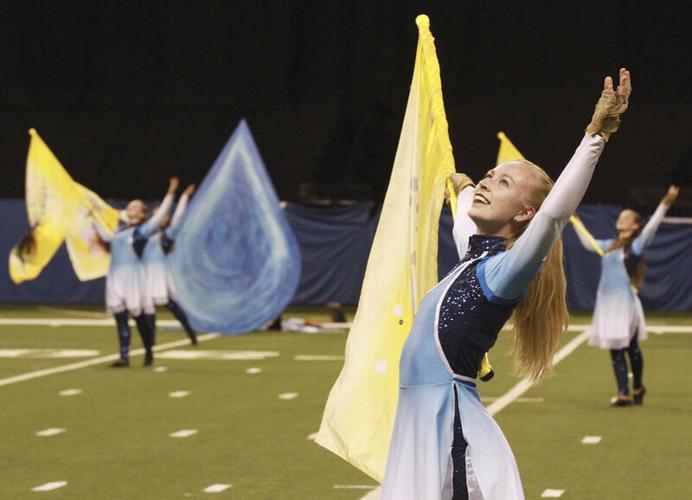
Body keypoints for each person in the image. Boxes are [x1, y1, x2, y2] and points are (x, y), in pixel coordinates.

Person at [380, 69, 631, 500]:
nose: (486, 183)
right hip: (418, 428)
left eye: (504, 183)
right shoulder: (471, 258)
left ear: (524, 215)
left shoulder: (504, 272)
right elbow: (464, 219)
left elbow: (554, 214)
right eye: (489, 176)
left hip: (450, 430)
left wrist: (595, 136)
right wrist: (459, 186)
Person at [575, 185, 679, 406]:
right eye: (620, 216)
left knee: (631, 348)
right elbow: (587, 242)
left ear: (634, 225)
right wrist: (574, 220)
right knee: (615, 349)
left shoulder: (636, 246)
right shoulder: (609, 246)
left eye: (627, 217)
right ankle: (623, 392)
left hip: (625, 305)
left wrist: (665, 203)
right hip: (607, 304)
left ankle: (638, 385)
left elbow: (652, 227)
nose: (621, 218)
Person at [94, 177, 178, 367]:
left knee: (141, 320)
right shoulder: (119, 230)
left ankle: (148, 351)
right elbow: (106, 236)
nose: (129, 209)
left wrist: (170, 195)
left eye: (134, 207)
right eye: (129, 207)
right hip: (116, 278)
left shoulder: (141, 232)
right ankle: (124, 356)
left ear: (141, 214)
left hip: (133, 279)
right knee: (121, 319)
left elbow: (159, 218)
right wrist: (93, 215)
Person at [142, 183, 198, 345]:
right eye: (156, 214)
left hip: (160, 275)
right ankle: (150, 342)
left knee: (171, 306)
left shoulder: (167, 236)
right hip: (144, 275)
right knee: (147, 310)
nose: (159, 217)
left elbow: (179, 217)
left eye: (163, 215)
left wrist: (184, 197)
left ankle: (190, 331)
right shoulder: (144, 234)